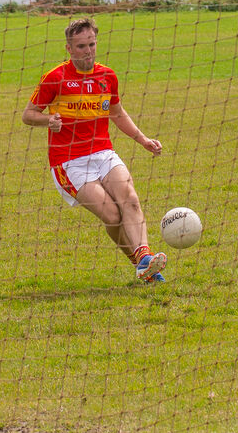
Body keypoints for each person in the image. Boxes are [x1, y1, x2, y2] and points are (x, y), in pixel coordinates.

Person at [22, 17, 167, 283]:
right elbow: (28, 115)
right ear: (68, 48)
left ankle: (145, 257)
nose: (88, 51)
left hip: (103, 153)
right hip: (69, 162)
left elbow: (117, 113)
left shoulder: (107, 76)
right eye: (80, 46)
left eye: (91, 44)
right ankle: (141, 263)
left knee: (130, 199)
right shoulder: (55, 78)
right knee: (112, 215)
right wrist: (48, 120)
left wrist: (143, 139)